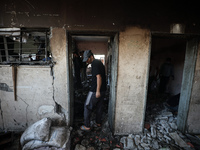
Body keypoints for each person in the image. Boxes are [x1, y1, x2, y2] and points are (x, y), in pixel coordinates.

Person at [80, 50, 107, 131]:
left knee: (87, 106)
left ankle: (87, 126)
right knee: (99, 106)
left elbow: (99, 77)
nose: (87, 61)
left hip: (95, 90)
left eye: (87, 59)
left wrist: (97, 91)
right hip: (103, 89)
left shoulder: (95, 63)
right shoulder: (99, 63)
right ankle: (98, 123)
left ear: (91, 56)